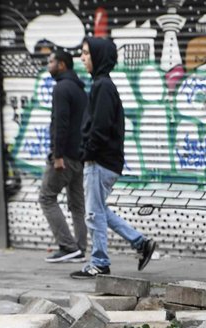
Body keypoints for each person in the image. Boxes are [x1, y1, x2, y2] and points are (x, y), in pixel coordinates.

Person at [71, 37, 156, 279]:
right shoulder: (101, 84)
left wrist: (87, 153)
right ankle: (140, 243)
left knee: (93, 213)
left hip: (100, 162)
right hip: (102, 161)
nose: (82, 58)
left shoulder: (103, 86)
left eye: (86, 53)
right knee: (98, 211)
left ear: (98, 56)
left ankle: (99, 262)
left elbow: (100, 127)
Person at [40, 49, 87, 263]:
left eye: (51, 61)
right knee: (77, 204)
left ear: (62, 65)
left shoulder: (61, 88)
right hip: (78, 157)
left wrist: (57, 155)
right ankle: (80, 248)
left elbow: (60, 124)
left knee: (47, 197)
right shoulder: (80, 89)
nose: (48, 65)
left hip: (64, 157)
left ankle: (68, 247)